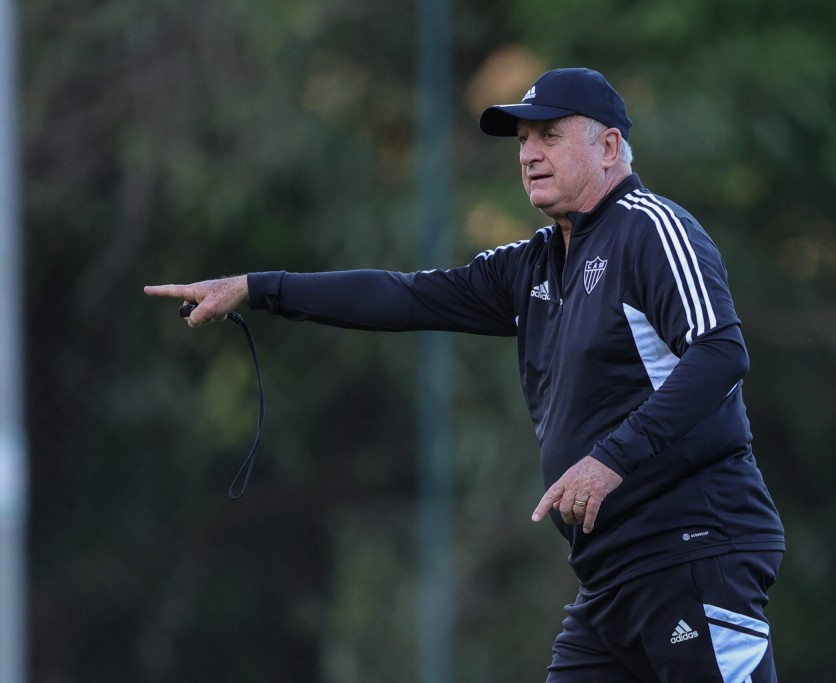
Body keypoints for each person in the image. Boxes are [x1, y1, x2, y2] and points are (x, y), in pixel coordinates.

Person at [145, 67, 785, 682]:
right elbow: (405, 297)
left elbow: (721, 354)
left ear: (610, 146)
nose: (529, 151)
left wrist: (611, 458)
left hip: (694, 550)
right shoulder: (533, 264)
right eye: (523, 138)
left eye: (550, 134)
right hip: (611, 576)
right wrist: (258, 288)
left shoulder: (651, 228)